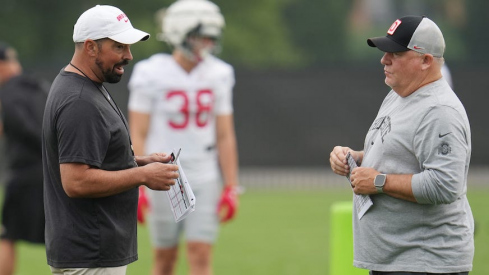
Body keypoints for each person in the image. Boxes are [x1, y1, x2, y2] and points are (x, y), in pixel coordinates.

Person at [42, 5, 181, 275]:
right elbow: (76, 180)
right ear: (91, 47)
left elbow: (94, 157)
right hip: (90, 254)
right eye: (119, 47)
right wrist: (142, 176)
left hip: (92, 251)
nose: (128, 56)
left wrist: (140, 162)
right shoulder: (79, 100)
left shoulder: (85, 87)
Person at [329, 15, 473, 275]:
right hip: (400, 260)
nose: (384, 59)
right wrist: (357, 158)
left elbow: (445, 184)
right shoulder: (399, 94)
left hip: (425, 262)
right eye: (385, 52)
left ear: (425, 60)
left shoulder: (439, 110)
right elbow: (400, 154)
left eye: (395, 53)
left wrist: (378, 181)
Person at [127, 0, 239, 274]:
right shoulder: (150, 72)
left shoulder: (220, 73)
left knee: (201, 255)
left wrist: (231, 186)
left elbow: (224, 135)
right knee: (164, 258)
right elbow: (137, 132)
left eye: (211, 37)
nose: (208, 44)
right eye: (202, 36)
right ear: (181, 33)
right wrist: (137, 183)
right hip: (162, 176)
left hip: (204, 175)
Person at [0, 42, 48, 275]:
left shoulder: (7, 93)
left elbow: (23, 128)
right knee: (64, 236)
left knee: (6, 236)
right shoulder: (39, 87)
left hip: (24, 174)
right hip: (56, 173)